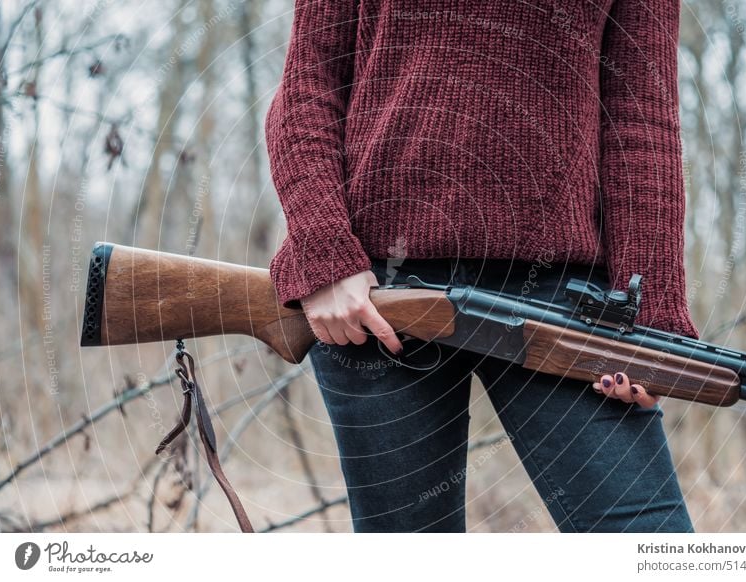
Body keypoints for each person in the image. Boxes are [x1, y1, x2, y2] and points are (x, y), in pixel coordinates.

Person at [264, 0, 699, 532]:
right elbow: (309, 87)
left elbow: (642, 123)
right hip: (376, 296)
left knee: (648, 539)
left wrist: (653, 323)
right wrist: (327, 256)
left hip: (563, 300)